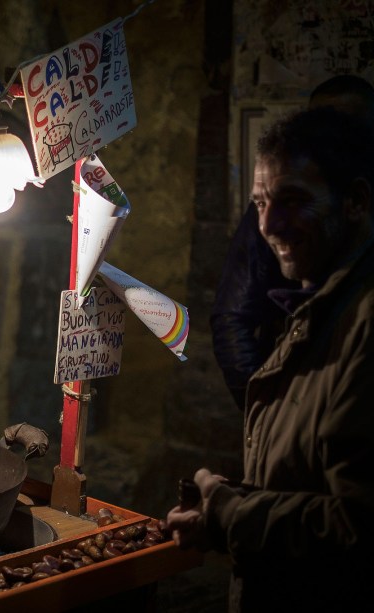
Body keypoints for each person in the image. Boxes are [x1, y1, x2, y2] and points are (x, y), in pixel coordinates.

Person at [165, 106, 374, 610]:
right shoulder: (317, 309)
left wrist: (234, 515)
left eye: (293, 201)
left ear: (355, 201)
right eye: (259, 203)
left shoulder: (363, 322)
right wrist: (232, 503)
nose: (269, 225)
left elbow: (358, 526)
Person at [210, 74, 374, 410]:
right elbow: (233, 316)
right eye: (315, 125)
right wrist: (270, 416)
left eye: (344, 126)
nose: (269, 223)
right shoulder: (277, 209)